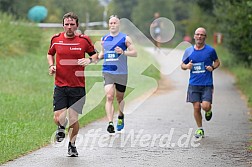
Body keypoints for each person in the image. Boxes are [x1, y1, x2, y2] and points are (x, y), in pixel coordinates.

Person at [47, 12, 98, 156]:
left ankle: (72, 145)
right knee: (58, 117)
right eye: (66, 24)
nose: (69, 27)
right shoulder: (56, 39)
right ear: (63, 25)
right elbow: (50, 53)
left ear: (77, 25)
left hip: (77, 86)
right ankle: (61, 127)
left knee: (74, 119)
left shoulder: (84, 40)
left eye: (72, 24)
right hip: (61, 85)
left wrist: (89, 60)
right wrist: (51, 66)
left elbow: (95, 55)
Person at [98, 15, 137, 134]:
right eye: (111, 23)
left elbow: (134, 53)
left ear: (119, 24)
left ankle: (120, 116)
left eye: (115, 23)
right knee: (109, 96)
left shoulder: (125, 38)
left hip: (121, 72)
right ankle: (110, 123)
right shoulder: (104, 39)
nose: (113, 25)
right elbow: (103, 53)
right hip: (108, 71)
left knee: (119, 98)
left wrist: (123, 52)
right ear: (108, 25)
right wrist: (98, 56)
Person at [181, 27, 220, 138]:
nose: (199, 36)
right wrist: (187, 66)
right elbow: (182, 65)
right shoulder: (189, 51)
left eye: (202, 35)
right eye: (197, 34)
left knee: (205, 106)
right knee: (196, 107)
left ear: (205, 37)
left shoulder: (210, 50)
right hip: (193, 84)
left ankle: (208, 111)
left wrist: (212, 67)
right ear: (194, 36)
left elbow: (217, 62)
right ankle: (200, 129)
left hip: (207, 83)